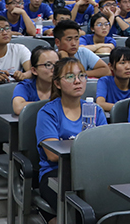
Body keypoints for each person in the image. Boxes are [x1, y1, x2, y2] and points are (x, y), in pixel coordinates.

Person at [36, 57, 107, 223]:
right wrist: (87, 147)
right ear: (57, 83)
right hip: (57, 174)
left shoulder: (96, 111)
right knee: (80, 213)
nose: (77, 81)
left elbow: (105, 149)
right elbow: (53, 155)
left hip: (91, 173)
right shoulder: (48, 113)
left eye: (82, 75)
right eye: (70, 77)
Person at [12, 46, 59, 115]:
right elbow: (18, 108)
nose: (54, 70)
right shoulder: (25, 86)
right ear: (34, 70)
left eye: (57, 65)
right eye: (48, 65)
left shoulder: (63, 85)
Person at [96, 47, 130, 111]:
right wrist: (128, 109)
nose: (128, 67)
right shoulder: (105, 81)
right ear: (111, 66)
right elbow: (100, 103)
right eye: (122, 63)